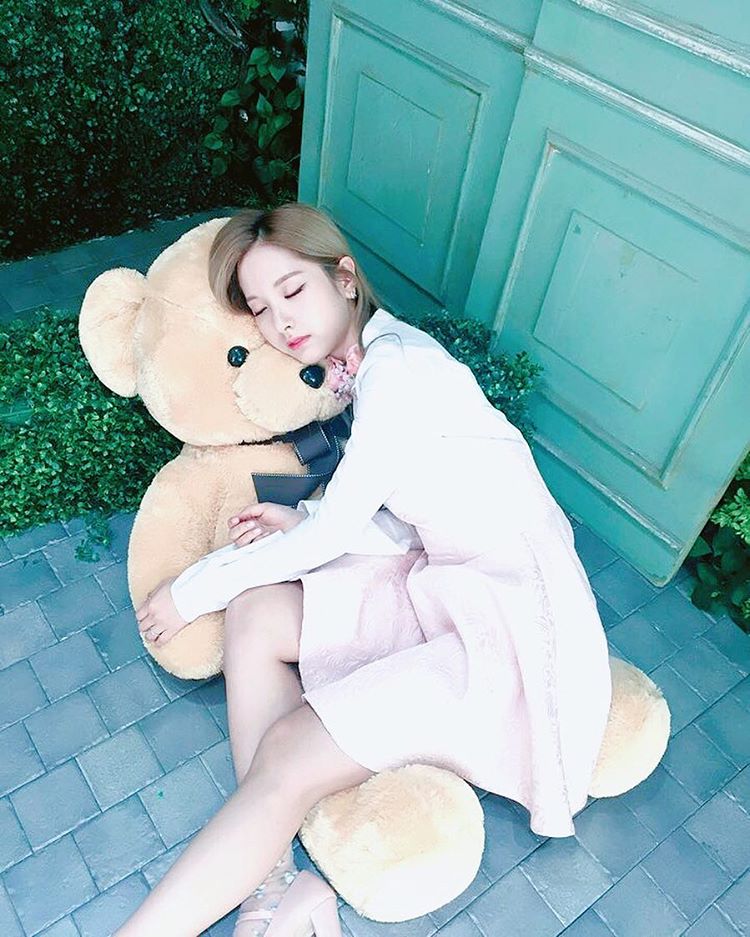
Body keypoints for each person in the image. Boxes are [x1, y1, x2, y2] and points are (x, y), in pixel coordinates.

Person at [120, 202, 612, 937]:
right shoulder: (372, 360)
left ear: (345, 279)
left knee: (287, 749)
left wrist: (192, 590)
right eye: (260, 307)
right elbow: (408, 502)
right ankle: (277, 889)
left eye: (293, 290)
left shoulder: (396, 371)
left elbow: (343, 529)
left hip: (508, 628)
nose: (280, 321)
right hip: (439, 579)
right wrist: (305, 520)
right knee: (257, 611)